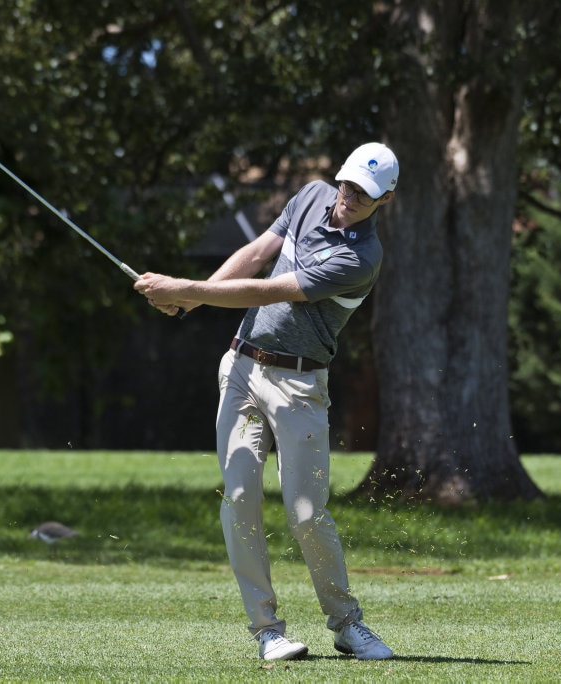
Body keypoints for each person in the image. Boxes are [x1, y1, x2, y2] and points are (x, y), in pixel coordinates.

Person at [134, 143, 398, 661]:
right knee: (239, 499)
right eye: (347, 185)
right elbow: (258, 252)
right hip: (242, 370)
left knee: (305, 513)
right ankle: (267, 631)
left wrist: (185, 287)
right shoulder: (310, 196)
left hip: (300, 385)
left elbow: (274, 289)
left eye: (364, 195)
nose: (348, 198)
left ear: (385, 198)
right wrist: (196, 293)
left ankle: (347, 623)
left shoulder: (361, 258)